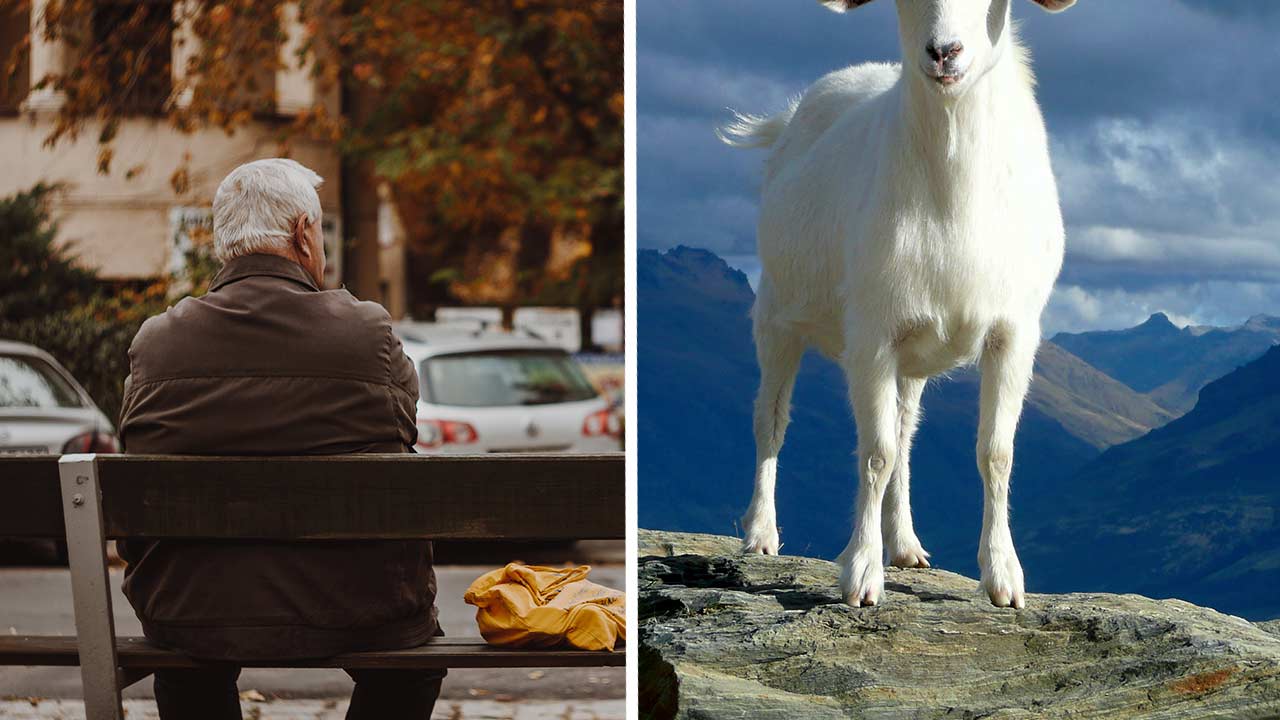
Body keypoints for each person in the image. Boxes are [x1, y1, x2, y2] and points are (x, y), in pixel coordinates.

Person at [117, 158, 443, 720]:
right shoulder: (367, 334)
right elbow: (401, 431)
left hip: (192, 609)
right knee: (412, 661)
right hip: (356, 605)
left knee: (185, 653)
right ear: (302, 233)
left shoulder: (157, 343)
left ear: (225, 243)